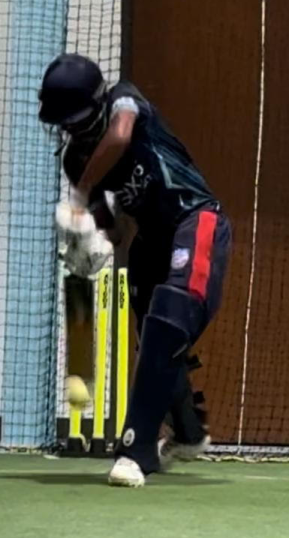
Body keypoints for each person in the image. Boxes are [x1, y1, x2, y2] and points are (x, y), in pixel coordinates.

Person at [38, 53, 232, 487]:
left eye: (76, 119)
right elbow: (108, 227)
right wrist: (89, 240)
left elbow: (121, 137)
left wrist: (83, 190)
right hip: (149, 242)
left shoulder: (124, 100)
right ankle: (188, 432)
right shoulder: (74, 160)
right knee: (156, 339)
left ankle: (136, 448)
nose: (71, 129)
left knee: (168, 321)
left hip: (195, 219)